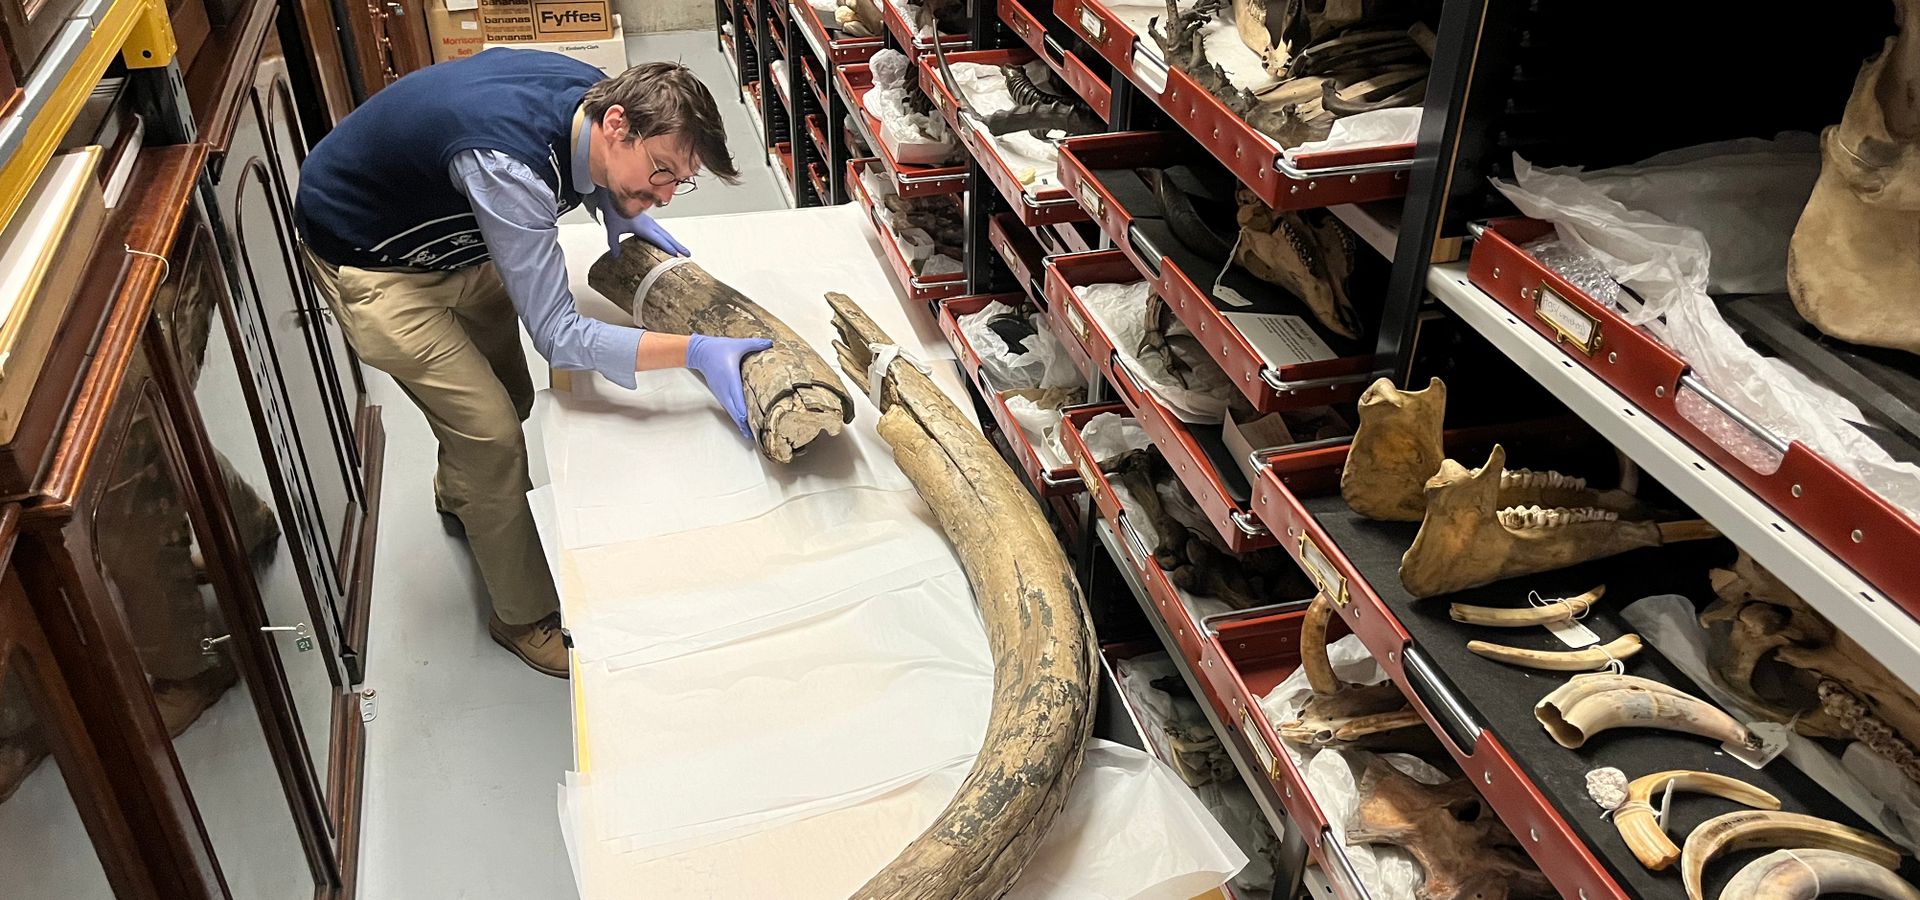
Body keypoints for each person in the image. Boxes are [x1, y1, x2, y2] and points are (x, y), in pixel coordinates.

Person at [293, 49, 771, 678]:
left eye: (678, 182)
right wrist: (694, 352)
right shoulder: (507, 166)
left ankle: (460, 492)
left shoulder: (595, 94)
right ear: (618, 124)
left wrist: (616, 204)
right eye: (659, 172)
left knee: (509, 395)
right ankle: (519, 618)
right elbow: (559, 334)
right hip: (378, 262)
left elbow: (582, 176)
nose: (662, 195)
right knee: (491, 433)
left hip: (456, 236)